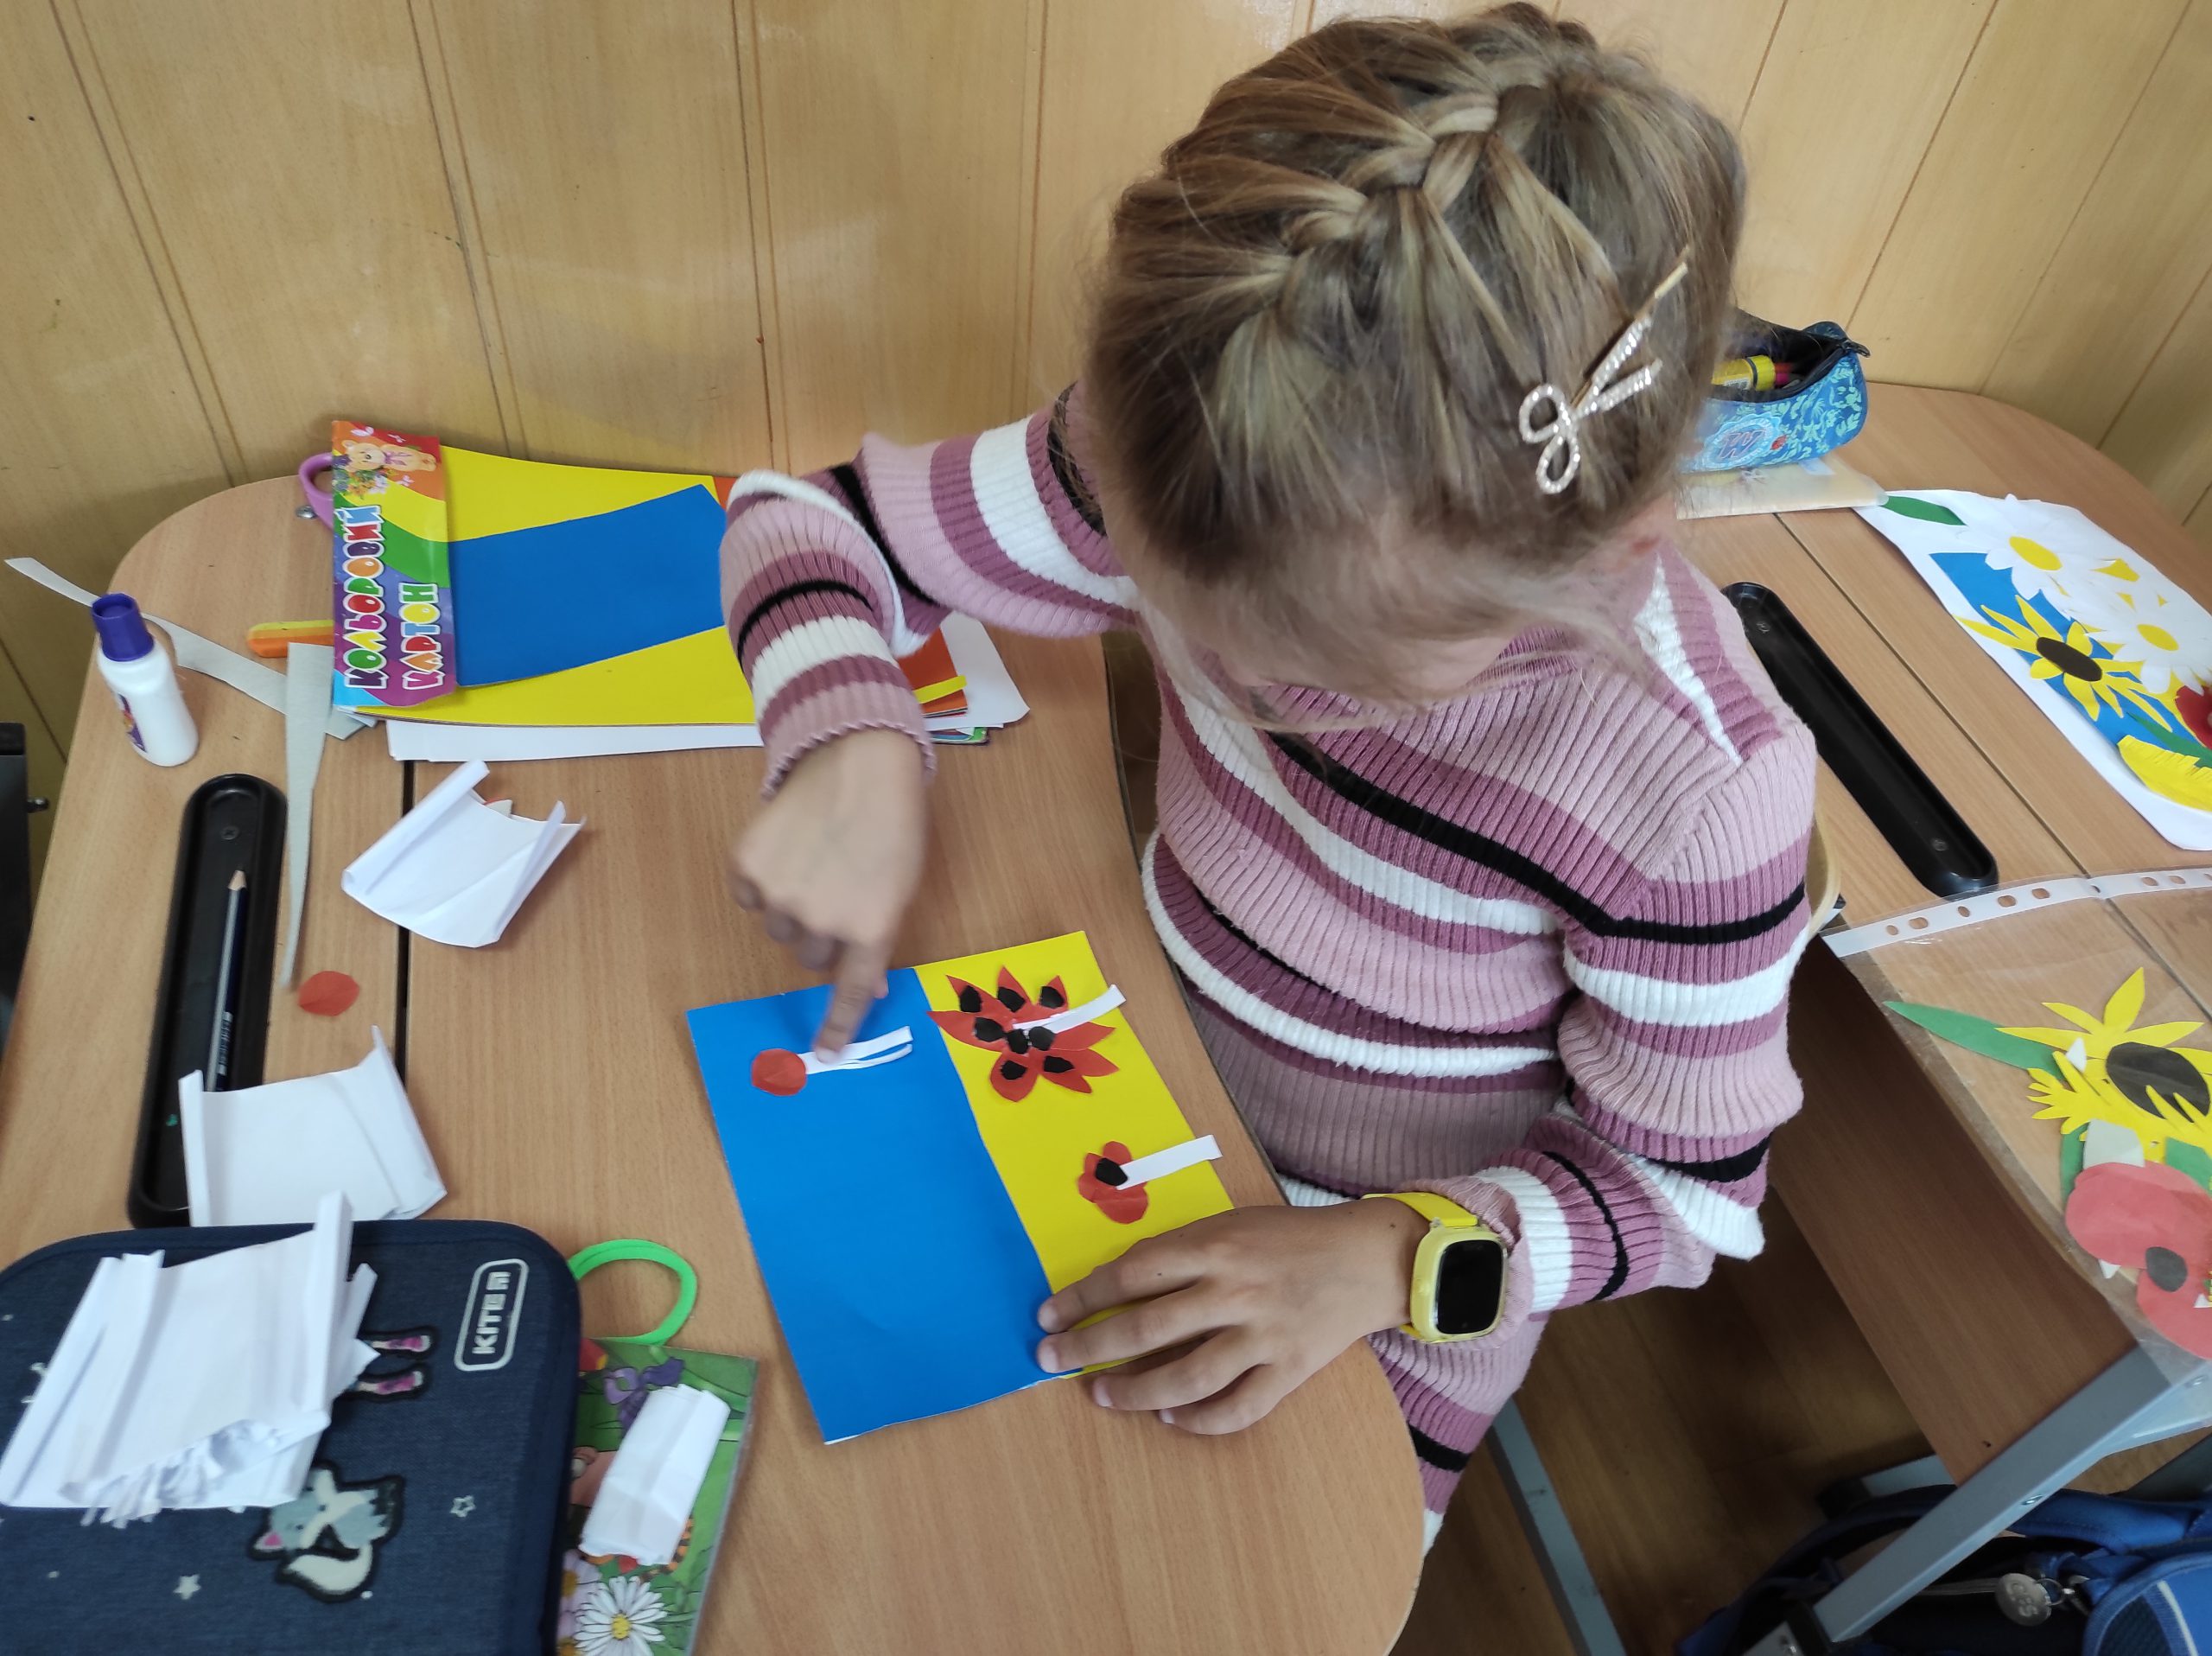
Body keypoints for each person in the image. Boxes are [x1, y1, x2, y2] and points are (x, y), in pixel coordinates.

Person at [720, 3, 1815, 1546]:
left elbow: (1687, 1199)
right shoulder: (1196, 454)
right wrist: (851, 739)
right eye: (1188, 611)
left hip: (1383, 1291)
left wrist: (1383, 1260)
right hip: (1129, 1077)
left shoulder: (1696, 791)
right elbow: (807, 520)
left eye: (1325, 664)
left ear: (1616, 552)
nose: (1246, 676)